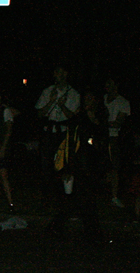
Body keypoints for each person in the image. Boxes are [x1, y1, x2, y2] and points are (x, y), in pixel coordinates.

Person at [45, 89, 107, 242]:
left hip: (91, 164)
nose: (88, 101)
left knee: (82, 200)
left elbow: (101, 140)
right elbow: (72, 143)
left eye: (90, 98)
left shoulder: (99, 116)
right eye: (86, 98)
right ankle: (91, 231)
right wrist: (68, 167)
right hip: (79, 164)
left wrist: (95, 124)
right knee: (82, 199)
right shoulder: (79, 118)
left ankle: (61, 227)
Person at [35, 65, 80, 204]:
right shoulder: (48, 91)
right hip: (49, 131)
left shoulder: (73, 94)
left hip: (64, 133)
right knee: (46, 164)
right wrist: (51, 101)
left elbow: (72, 116)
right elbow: (39, 113)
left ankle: (64, 197)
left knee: (63, 164)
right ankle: (47, 197)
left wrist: (61, 105)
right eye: (55, 72)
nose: (55, 75)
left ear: (65, 74)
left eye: (59, 72)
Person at [103, 78, 130, 208]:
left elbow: (118, 123)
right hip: (99, 138)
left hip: (113, 138)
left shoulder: (123, 102)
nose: (107, 85)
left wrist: (102, 123)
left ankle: (114, 196)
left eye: (110, 83)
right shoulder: (101, 99)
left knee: (114, 168)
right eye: (106, 83)